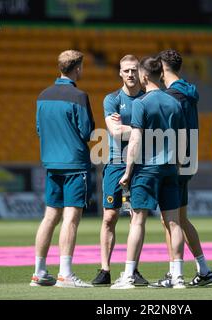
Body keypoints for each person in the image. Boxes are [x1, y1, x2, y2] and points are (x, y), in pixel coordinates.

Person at [111, 57, 187, 289]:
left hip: (146, 169)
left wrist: (127, 171)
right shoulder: (175, 103)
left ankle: (128, 275)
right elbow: (182, 137)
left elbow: (135, 139)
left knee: (138, 221)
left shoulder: (140, 103)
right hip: (170, 169)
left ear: (144, 76)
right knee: (174, 222)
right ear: (160, 75)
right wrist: (178, 164)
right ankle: (178, 276)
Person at [149, 49, 212, 288]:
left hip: (174, 161)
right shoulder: (187, 91)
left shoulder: (172, 96)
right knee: (181, 219)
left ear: (163, 68)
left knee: (170, 220)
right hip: (187, 159)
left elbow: (173, 132)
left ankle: (173, 272)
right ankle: (204, 269)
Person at [31, 50, 95, 288]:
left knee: (50, 217)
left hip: (51, 163)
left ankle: (39, 271)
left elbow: (39, 129)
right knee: (70, 218)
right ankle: (65, 274)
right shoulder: (79, 96)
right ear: (77, 68)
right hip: (74, 164)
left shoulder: (42, 95)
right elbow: (87, 131)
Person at [91, 55, 149, 286]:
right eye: (126, 70)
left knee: (137, 217)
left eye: (134, 70)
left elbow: (154, 132)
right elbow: (115, 132)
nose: (130, 74)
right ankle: (105, 270)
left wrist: (128, 128)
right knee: (109, 216)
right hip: (115, 163)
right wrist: (139, 128)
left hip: (142, 164)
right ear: (120, 73)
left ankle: (132, 270)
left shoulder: (148, 98)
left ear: (140, 72)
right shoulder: (112, 99)